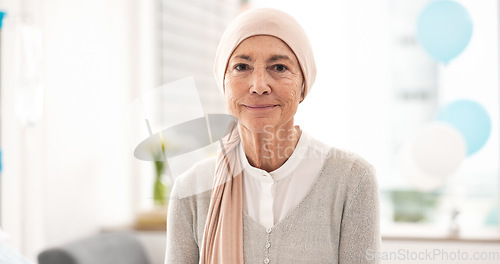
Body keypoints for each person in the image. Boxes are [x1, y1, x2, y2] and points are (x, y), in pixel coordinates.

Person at [165, 8, 380, 264]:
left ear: (303, 85)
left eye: (279, 67)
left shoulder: (352, 181)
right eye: (241, 67)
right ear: (223, 83)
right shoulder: (190, 189)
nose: (258, 86)